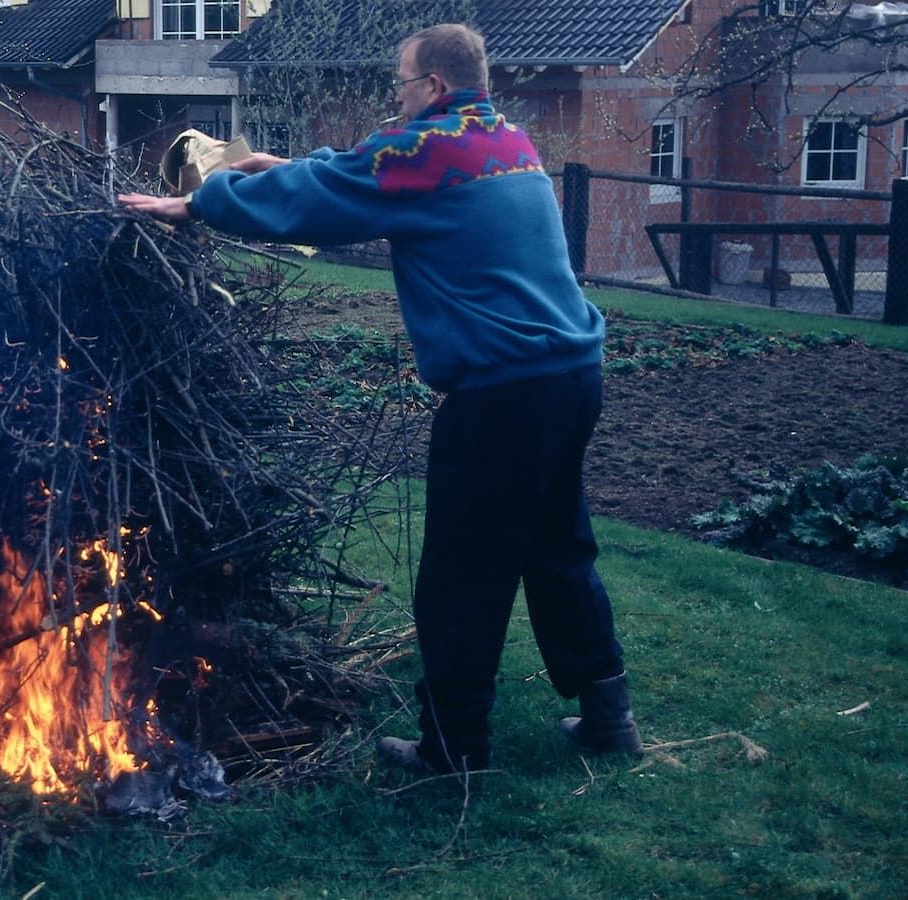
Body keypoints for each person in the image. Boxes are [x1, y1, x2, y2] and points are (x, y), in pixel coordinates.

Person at [119, 23, 641, 780]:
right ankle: (608, 712)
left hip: (500, 396)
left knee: (462, 573)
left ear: (431, 85)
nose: (393, 98)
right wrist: (289, 166)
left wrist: (202, 203)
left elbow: (324, 200)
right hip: (570, 377)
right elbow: (364, 175)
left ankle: (452, 749)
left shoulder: (423, 153)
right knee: (558, 546)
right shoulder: (507, 143)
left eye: (399, 83)